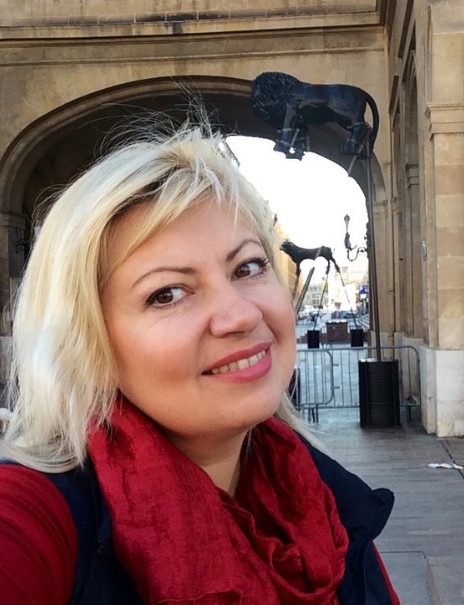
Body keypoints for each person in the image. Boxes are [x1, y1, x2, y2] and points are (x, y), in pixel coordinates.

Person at [0, 118, 400, 605]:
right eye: (167, 293)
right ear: (87, 341)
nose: (241, 315)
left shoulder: (321, 500)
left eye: (247, 267)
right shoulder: (39, 516)